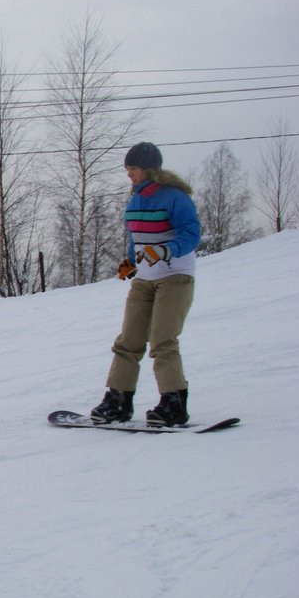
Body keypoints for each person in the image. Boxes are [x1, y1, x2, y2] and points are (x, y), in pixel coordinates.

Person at [90, 142, 201, 426]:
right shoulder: (135, 199)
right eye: (127, 169)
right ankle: (118, 400)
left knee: (163, 341)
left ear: (150, 169)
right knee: (128, 342)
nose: (129, 174)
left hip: (175, 277)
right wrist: (129, 264)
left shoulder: (175, 197)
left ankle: (173, 404)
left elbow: (191, 234)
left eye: (133, 168)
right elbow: (136, 238)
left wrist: (166, 250)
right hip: (145, 280)